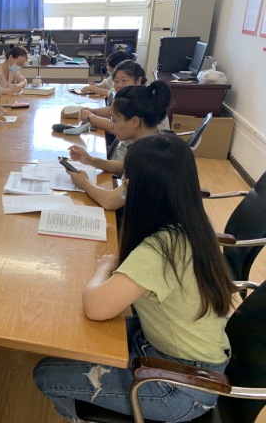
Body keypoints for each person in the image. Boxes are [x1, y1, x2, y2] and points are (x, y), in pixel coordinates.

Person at [33, 132, 234, 423]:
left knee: (46, 373)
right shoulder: (191, 226)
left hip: (180, 385)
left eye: (126, 178)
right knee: (73, 334)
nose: (123, 184)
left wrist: (104, 266)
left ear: (141, 190)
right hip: (188, 358)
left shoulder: (160, 249)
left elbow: (95, 306)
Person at [67, 81, 172, 210]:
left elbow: (110, 201)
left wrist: (84, 183)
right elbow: (125, 167)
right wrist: (90, 160)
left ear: (134, 121)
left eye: (114, 120)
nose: (111, 125)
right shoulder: (159, 140)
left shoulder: (147, 156)